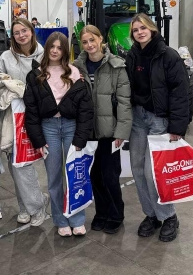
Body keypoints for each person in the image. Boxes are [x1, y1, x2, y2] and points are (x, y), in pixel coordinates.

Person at [125, 14, 190, 243]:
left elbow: (180, 92)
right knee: (137, 168)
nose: (140, 32)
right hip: (137, 118)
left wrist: (177, 127)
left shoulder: (168, 55)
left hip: (159, 120)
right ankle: (151, 214)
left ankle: (169, 216)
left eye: (143, 28)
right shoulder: (132, 55)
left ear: (152, 29)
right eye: (135, 30)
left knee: (153, 173)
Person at [24, 32, 94, 237]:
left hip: (71, 126)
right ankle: (60, 220)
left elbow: (86, 109)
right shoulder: (36, 74)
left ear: (65, 50)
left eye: (60, 47)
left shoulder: (75, 72)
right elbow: (31, 110)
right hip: (49, 128)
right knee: (54, 177)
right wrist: (38, 139)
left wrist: (81, 137)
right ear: (46, 48)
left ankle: (77, 219)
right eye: (52, 47)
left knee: (75, 175)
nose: (55, 51)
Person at [72, 25, 132, 235]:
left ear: (100, 39)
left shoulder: (117, 66)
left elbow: (124, 102)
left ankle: (116, 215)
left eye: (92, 40)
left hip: (109, 132)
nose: (89, 45)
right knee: (94, 175)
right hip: (88, 132)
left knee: (110, 175)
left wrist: (121, 132)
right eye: (85, 42)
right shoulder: (76, 67)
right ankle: (101, 213)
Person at [0, 18, 48, 227]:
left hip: (38, 115)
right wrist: (10, 86)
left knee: (26, 163)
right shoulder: (6, 57)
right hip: (13, 117)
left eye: (24, 31)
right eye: (16, 32)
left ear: (32, 31)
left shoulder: (44, 55)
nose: (21, 35)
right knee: (17, 163)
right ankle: (27, 206)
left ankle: (36, 204)